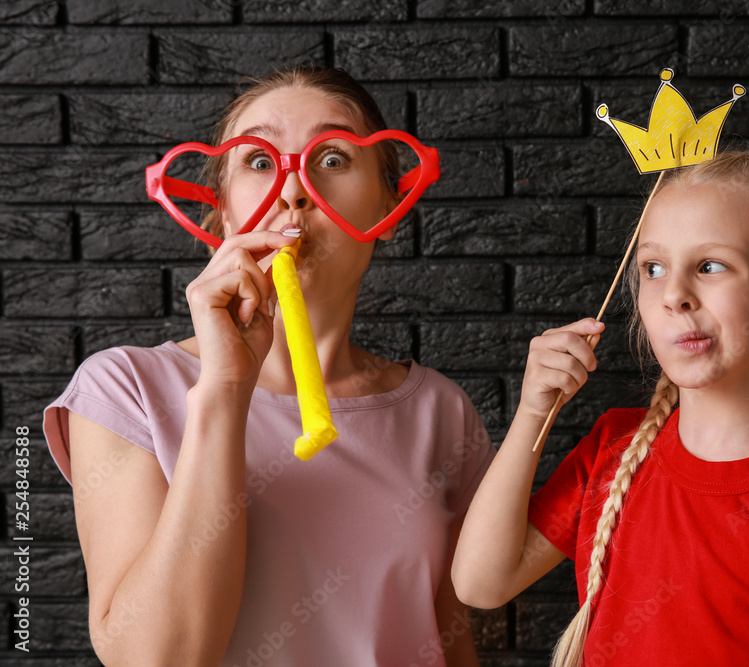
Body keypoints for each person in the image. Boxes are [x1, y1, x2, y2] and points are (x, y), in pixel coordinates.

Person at [42, 65, 493, 667]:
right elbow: (156, 658)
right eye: (258, 162)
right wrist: (226, 390)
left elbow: (447, 639)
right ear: (220, 215)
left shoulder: (442, 413)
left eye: (332, 158)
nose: (294, 190)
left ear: (391, 201)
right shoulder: (124, 390)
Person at [452, 150, 749, 667]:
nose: (674, 294)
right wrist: (532, 415)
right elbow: (480, 584)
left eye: (710, 265)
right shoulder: (611, 451)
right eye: (653, 267)